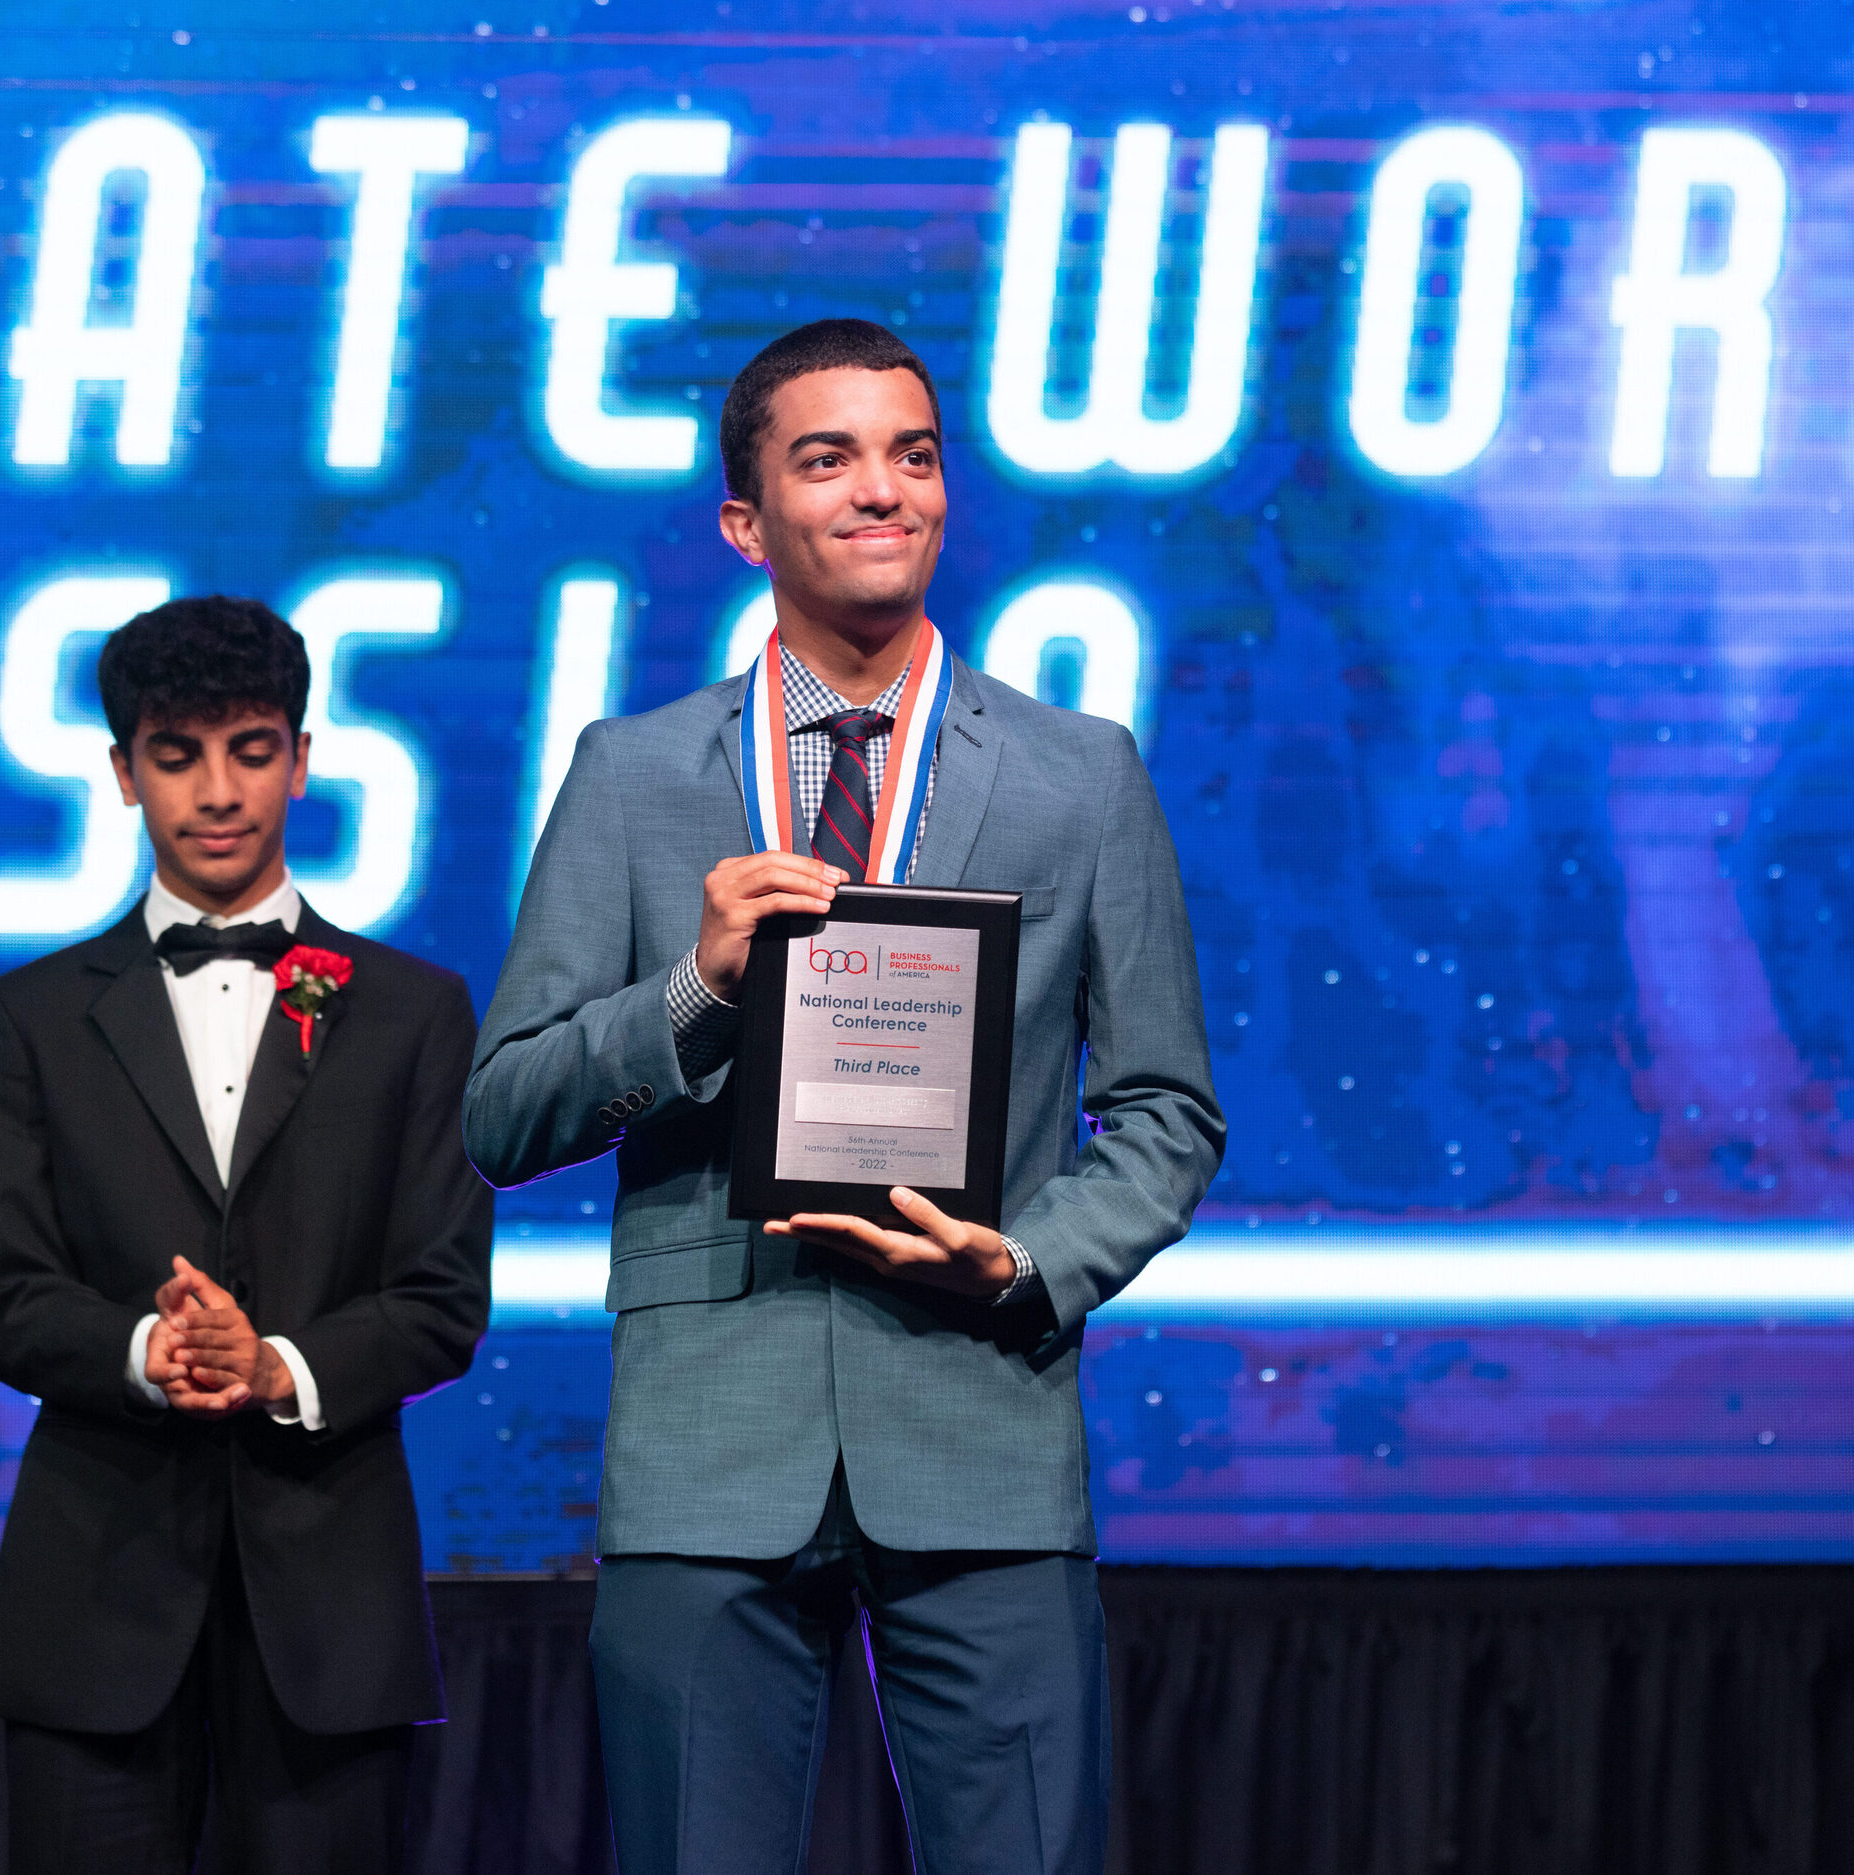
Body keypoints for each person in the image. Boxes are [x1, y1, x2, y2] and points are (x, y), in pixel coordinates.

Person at [466, 318, 1226, 1873]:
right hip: (708, 1436)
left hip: (979, 1418)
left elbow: (1166, 1111)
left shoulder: (1080, 773)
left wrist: (1023, 1260)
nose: (884, 488)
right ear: (745, 523)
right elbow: (503, 1112)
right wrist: (695, 985)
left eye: (913, 454)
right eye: (829, 459)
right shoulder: (633, 771)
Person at [0, 596, 495, 1873]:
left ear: (301, 761)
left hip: (331, 1601)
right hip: (93, 1592)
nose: (215, 791)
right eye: (175, 754)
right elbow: (4, 1289)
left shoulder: (414, 1009)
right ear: (121, 772)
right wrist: (147, 1351)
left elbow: (440, 1297)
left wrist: (275, 1367)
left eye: (250, 751)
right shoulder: (29, 1015)